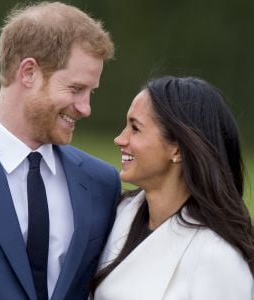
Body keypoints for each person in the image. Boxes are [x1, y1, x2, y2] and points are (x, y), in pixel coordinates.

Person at [0, 2, 121, 300]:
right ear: (29, 72)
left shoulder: (101, 184)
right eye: (75, 89)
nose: (86, 109)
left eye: (90, 92)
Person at [90, 76, 254, 299]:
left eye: (135, 128)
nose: (120, 139)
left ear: (176, 150)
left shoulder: (218, 257)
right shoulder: (118, 214)